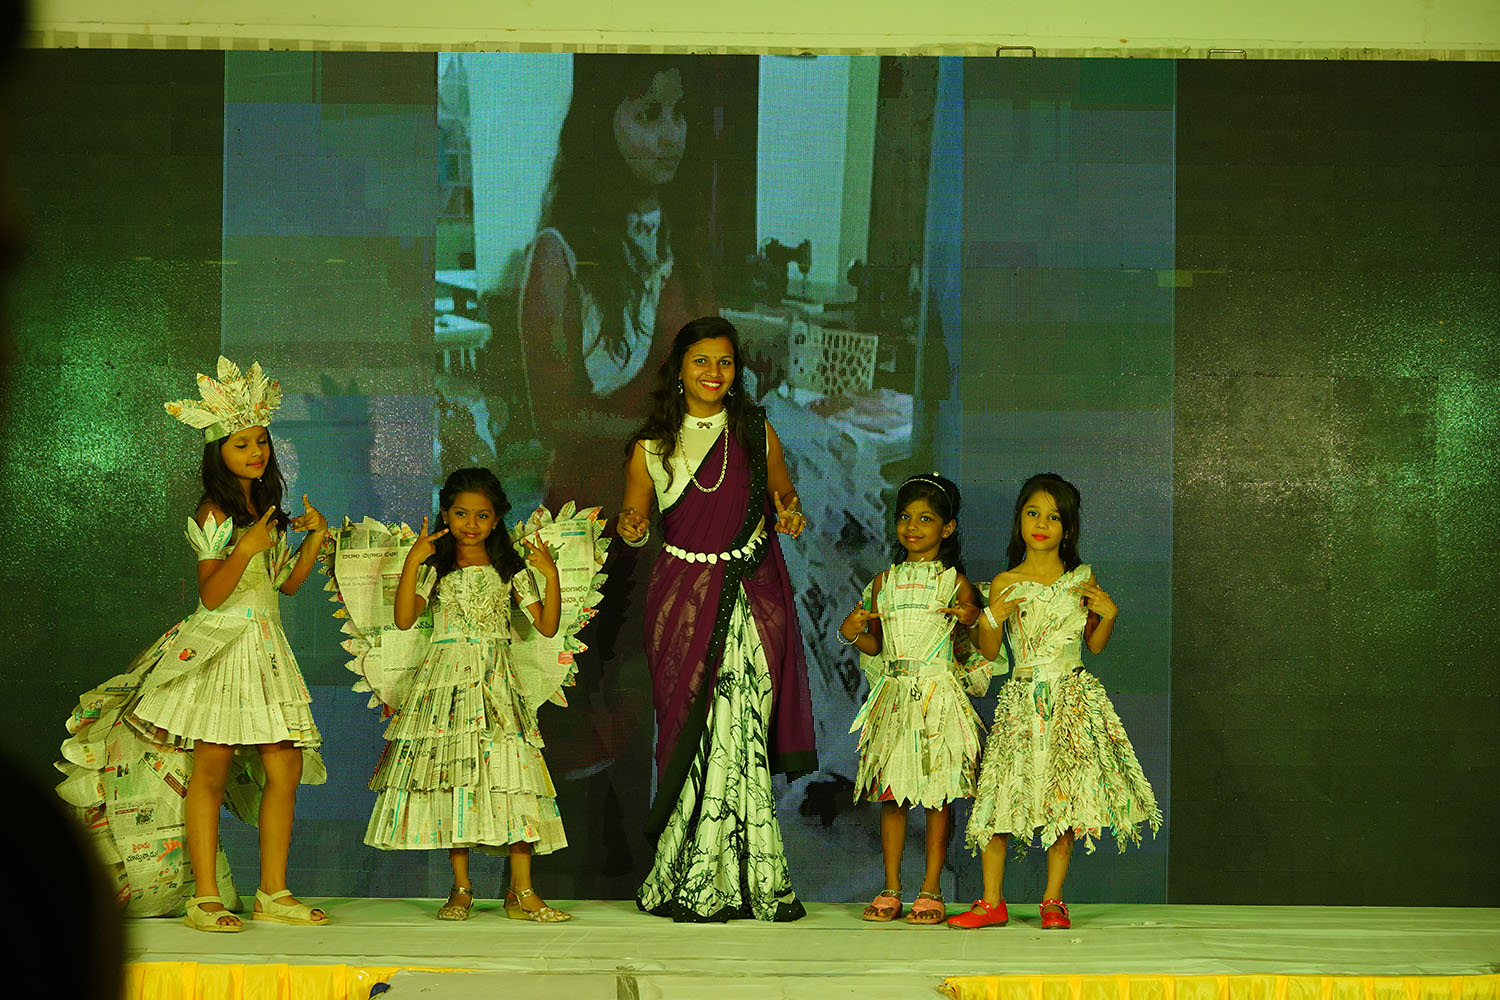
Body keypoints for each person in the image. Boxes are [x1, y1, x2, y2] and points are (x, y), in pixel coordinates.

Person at [58, 357, 330, 932]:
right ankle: (204, 896)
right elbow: (211, 594)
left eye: (261, 441)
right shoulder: (214, 511)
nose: (256, 452)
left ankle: (273, 890)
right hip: (222, 646)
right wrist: (245, 548)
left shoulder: (265, 512)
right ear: (218, 453)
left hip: (265, 645)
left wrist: (313, 540)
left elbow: (285, 586)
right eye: (241, 444)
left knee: (284, 766)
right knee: (210, 767)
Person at [617, 316, 816, 922]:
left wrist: (790, 513)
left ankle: (752, 879)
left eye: (724, 362)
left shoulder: (755, 431)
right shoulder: (650, 448)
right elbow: (635, 522)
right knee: (691, 731)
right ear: (678, 369)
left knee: (741, 730)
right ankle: (685, 873)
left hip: (751, 597)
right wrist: (632, 528)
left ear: (736, 372)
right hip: (680, 601)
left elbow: (784, 496)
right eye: (701, 361)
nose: (713, 372)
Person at [949, 473, 1160, 931]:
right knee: (1002, 794)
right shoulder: (1006, 582)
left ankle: (1053, 900)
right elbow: (989, 650)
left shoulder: (1081, 579)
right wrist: (990, 617)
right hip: (1022, 696)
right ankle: (991, 901)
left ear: (1068, 528)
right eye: (1033, 513)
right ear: (1020, 520)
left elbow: (1095, 644)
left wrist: (1109, 616)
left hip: (1069, 696)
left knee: (1063, 795)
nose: (1042, 524)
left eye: (1053, 517)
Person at [365, 467, 569, 922]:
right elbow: (404, 619)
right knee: (454, 776)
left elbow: (547, 625)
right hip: (447, 680)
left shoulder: (509, 569)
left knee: (512, 777)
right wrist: (413, 561)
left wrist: (551, 576)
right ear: (445, 514)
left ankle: (522, 890)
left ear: (496, 520)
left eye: (482, 515)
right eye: (461, 513)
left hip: (497, 682)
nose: (471, 524)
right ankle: (461, 888)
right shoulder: (436, 569)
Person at [519, 54, 714, 504]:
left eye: (679, 113)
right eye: (649, 115)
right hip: (595, 504)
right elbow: (555, 420)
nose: (671, 134)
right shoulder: (558, 254)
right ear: (601, 123)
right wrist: (667, 432)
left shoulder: (681, 243)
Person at [839, 473, 985, 925]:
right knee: (892, 793)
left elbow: (976, 647)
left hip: (938, 696)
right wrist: (853, 632)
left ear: (948, 527)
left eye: (925, 518)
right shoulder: (883, 582)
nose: (912, 527)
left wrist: (971, 618)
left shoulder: (955, 583)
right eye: (905, 517)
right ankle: (891, 885)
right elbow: (877, 646)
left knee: (938, 796)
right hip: (896, 697)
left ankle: (932, 887)